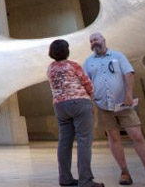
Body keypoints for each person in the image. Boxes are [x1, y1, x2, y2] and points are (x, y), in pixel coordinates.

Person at [84, 32, 145, 187]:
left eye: (96, 39)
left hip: (123, 104)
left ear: (104, 40)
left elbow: (128, 74)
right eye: (91, 41)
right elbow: (86, 82)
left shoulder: (118, 56)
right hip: (103, 106)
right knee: (113, 138)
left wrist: (128, 94)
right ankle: (124, 172)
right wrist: (91, 100)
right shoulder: (88, 62)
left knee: (137, 136)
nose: (94, 42)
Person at [47, 38, 101, 187]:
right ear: (67, 51)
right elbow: (87, 83)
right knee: (84, 141)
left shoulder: (50, 68)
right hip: (79, 103)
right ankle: (85, 180)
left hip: (60, 106)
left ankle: (65, 178)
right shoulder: (73, 65)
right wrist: (92, 97)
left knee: (64, 142)